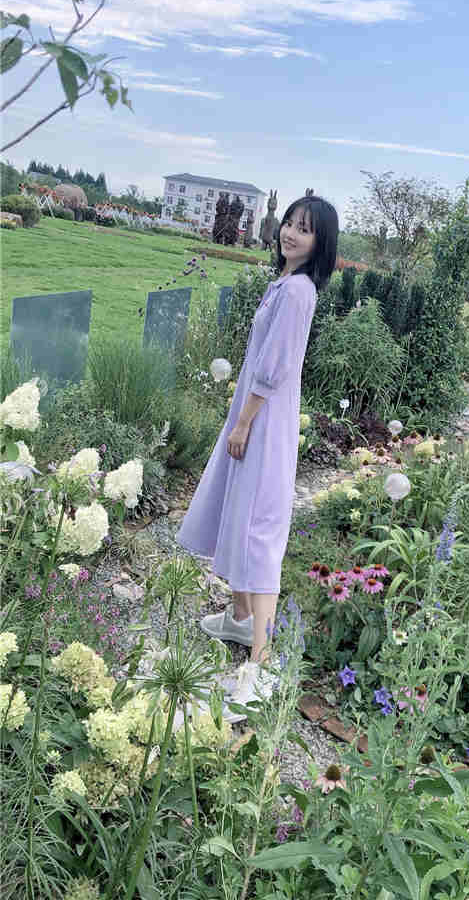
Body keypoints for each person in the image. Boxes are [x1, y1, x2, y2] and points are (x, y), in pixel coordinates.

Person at [175, 190, 339, 721]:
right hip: (257, 413)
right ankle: (241, 618)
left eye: (304, 229)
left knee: (259, 526)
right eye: (290, 222)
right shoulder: (285, 284)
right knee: (238, 508)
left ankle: (261, 663)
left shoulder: (298, 292)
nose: (291, 232)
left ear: (320, 243)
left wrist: (244, 421)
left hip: (264, 421)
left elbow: (274, 366)